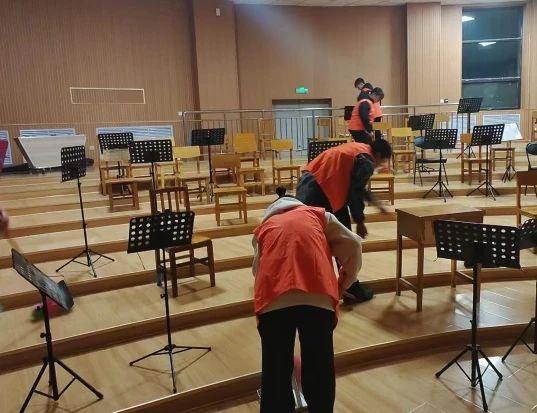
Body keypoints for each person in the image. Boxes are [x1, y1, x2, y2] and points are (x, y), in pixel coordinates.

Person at [253, 187, 362, 413]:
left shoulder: (264, 227)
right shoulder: (320, 216)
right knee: (320, 367)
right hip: (318, 295)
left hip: (274, 298)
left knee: (275, 371)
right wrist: (344, 283)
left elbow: (257, 270)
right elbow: (353, 245)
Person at [296, 138, 392, 304]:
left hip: (311, 183)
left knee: (335, 237)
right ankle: (349, 288)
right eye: (382, 161)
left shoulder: (359, 149)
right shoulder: (367, 162)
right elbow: (355, 192)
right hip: (320, 191)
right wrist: (360, 221)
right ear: (377, 155)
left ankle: (344, 286)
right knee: (344, 240)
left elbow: (356, 187)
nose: (380, 165)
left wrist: (376, 203)